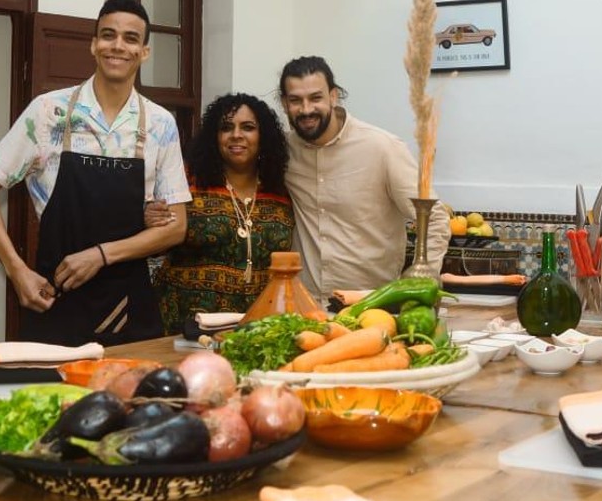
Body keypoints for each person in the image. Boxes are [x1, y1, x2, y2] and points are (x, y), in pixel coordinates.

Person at [0, 0, 190, 346]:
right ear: (93, 45)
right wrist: (17, 270)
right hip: (56, 300)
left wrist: (100, 255)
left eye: (131, 39)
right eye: (108, 35)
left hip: (128, 307)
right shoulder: (48, 113)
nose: (118, 45)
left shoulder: (160, 124)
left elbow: (176, 228)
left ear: (144, 52)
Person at [279, 55, 449, 296]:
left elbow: (435, 219)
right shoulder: (283, 151)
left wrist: (417, 284)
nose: (306, 109)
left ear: (333, 96)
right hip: (304, 306)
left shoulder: (382, 148)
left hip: (372, 308)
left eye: (315, 98)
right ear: (285, 103)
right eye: (296, 100)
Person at [150, 93, 295, 335]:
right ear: (214, 137)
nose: (236, 134)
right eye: (226, 127)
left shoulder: (280, 189)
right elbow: (157, 237)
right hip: (184, 322)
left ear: (263, 137)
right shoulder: (185, 180)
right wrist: (149, 218)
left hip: (255, 323)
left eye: (248, 127)